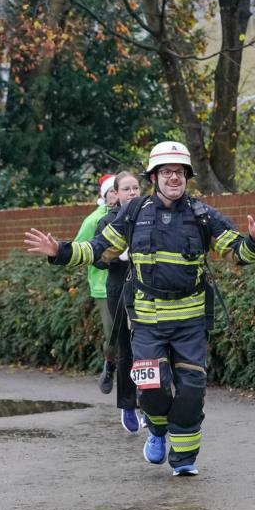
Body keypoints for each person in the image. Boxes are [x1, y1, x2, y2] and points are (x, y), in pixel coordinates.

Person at [25, 141, 255, 476]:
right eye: (166, 172)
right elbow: (99, 249)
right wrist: (59, 250)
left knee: (190, 391)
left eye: (179, 172)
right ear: (154, 176)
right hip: (146, 323)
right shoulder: (133, 214)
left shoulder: (203, 215)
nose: (173, 177)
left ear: (187, 176)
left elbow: (237, 253)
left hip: (190, 323)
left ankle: (185, 460)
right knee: (151, 388)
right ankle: (158, 431)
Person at [95, 170, 142, 433]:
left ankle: (149, 404)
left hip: (148, 288)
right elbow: (97, 259)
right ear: (116, 193)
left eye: (136, 188)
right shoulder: (108, 221)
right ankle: (127, 404)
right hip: (118, 288)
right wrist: (119, 257)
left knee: (149, 348)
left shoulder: (149, 216)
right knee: (125, 347)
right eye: (126, 189)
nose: (132, 193)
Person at [73, 173, 119, 394]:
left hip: (134, 284)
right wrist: (101, 258)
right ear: (105, 195)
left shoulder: (136, 214)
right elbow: (77, 249)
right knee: (113, 335)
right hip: (104, 286)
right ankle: (110, 363)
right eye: (112, 191)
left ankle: (141, 385)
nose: (117, 195)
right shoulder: (93, 220)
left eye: (120, 190)